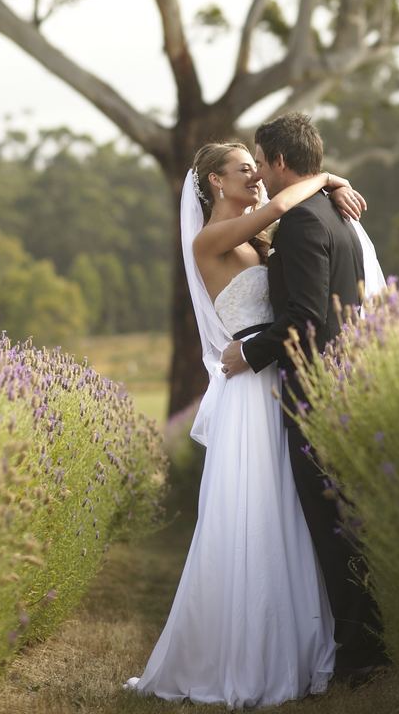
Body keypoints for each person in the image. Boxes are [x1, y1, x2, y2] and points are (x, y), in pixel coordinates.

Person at [126, 140, 366, 707]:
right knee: (252, 511)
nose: (256, 176)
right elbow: (283, 206)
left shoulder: (259, 241)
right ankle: (245, 652)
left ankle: (301, 639)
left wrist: (329, 188)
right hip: (247, 392)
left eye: (257, 166)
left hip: (273, 379)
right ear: (214, 182)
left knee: (289, 510)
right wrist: (328, 176)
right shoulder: (210, 239)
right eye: (244, 169)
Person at [221, 113, 388, 688]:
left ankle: (360, 652)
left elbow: (306, 319)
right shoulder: (339, 218)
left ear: (282, 163)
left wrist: (250, 355)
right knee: (346, 519)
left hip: (313, 390)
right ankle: (369, 642)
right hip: (344, 381)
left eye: (263, 162)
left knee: (331, 525)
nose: (262, 173)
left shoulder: (298, 225)